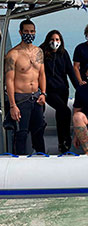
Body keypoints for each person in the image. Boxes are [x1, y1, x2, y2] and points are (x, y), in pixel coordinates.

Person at [4, 19, 46, 155]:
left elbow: (42, 74)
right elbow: (9, 81)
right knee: (21, 134)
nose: (30, 34)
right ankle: (18, 163)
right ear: (20, 32)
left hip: (37, 97)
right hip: (21, 98)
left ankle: (41, 157)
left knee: (39, 131)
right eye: (26, 31)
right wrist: (12, 105)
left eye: (32, 31)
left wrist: (43, 93)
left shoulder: (39, 52)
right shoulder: (13, 54)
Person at [40, 30, 79, 153]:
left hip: (63, 90)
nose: (55, 42)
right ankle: (66, 139)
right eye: (52, 39)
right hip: (49, 91)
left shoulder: (63, 53)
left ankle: (61, 142)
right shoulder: (42, 53)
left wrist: (79, 88)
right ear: (48, 40)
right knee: (65, 111)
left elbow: (70, 72)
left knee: (60, 114)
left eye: (57, 40)